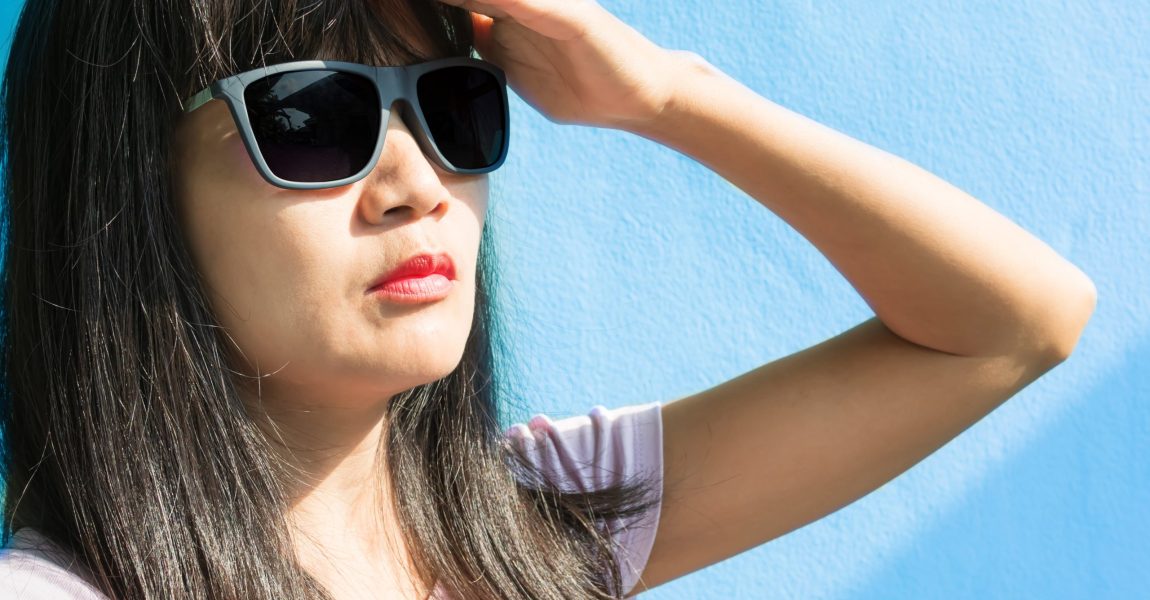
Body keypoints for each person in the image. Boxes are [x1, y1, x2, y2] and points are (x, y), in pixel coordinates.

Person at [0, 0, 1097, 598]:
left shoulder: (541, 521)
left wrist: (669, 95)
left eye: (451, 106)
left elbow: (1011, 326)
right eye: (310, 117)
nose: (415, 184)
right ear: (123, 193)